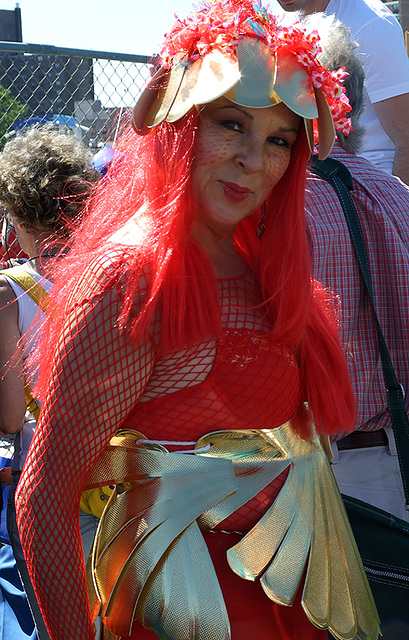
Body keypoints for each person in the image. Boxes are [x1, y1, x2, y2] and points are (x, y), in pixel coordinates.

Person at [14, 2, 380, 640]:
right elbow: (44, 494)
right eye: (231, 124)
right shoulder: (130, 280)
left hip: (299, 604)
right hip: (184, 617)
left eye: (277, 140)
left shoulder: (263, 267)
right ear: (182, 123)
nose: (252, 160)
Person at [301, 14, 409, 523]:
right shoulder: (400, 199)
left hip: (317, 471)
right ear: (357, 106)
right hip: (399, 455)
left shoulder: (278, 209)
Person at [0, 123, 100, 640]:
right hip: (113, 469)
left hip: (46, 476)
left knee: (56, 614)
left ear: (16, 212)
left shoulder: (9, 292)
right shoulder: (108, 277)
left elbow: (11, 415)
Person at [273, 0, 409, 184]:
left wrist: (396, 207)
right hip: (309, 181)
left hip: (365, 192)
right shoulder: (278, 14)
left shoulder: (372, 23)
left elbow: (406, 136)